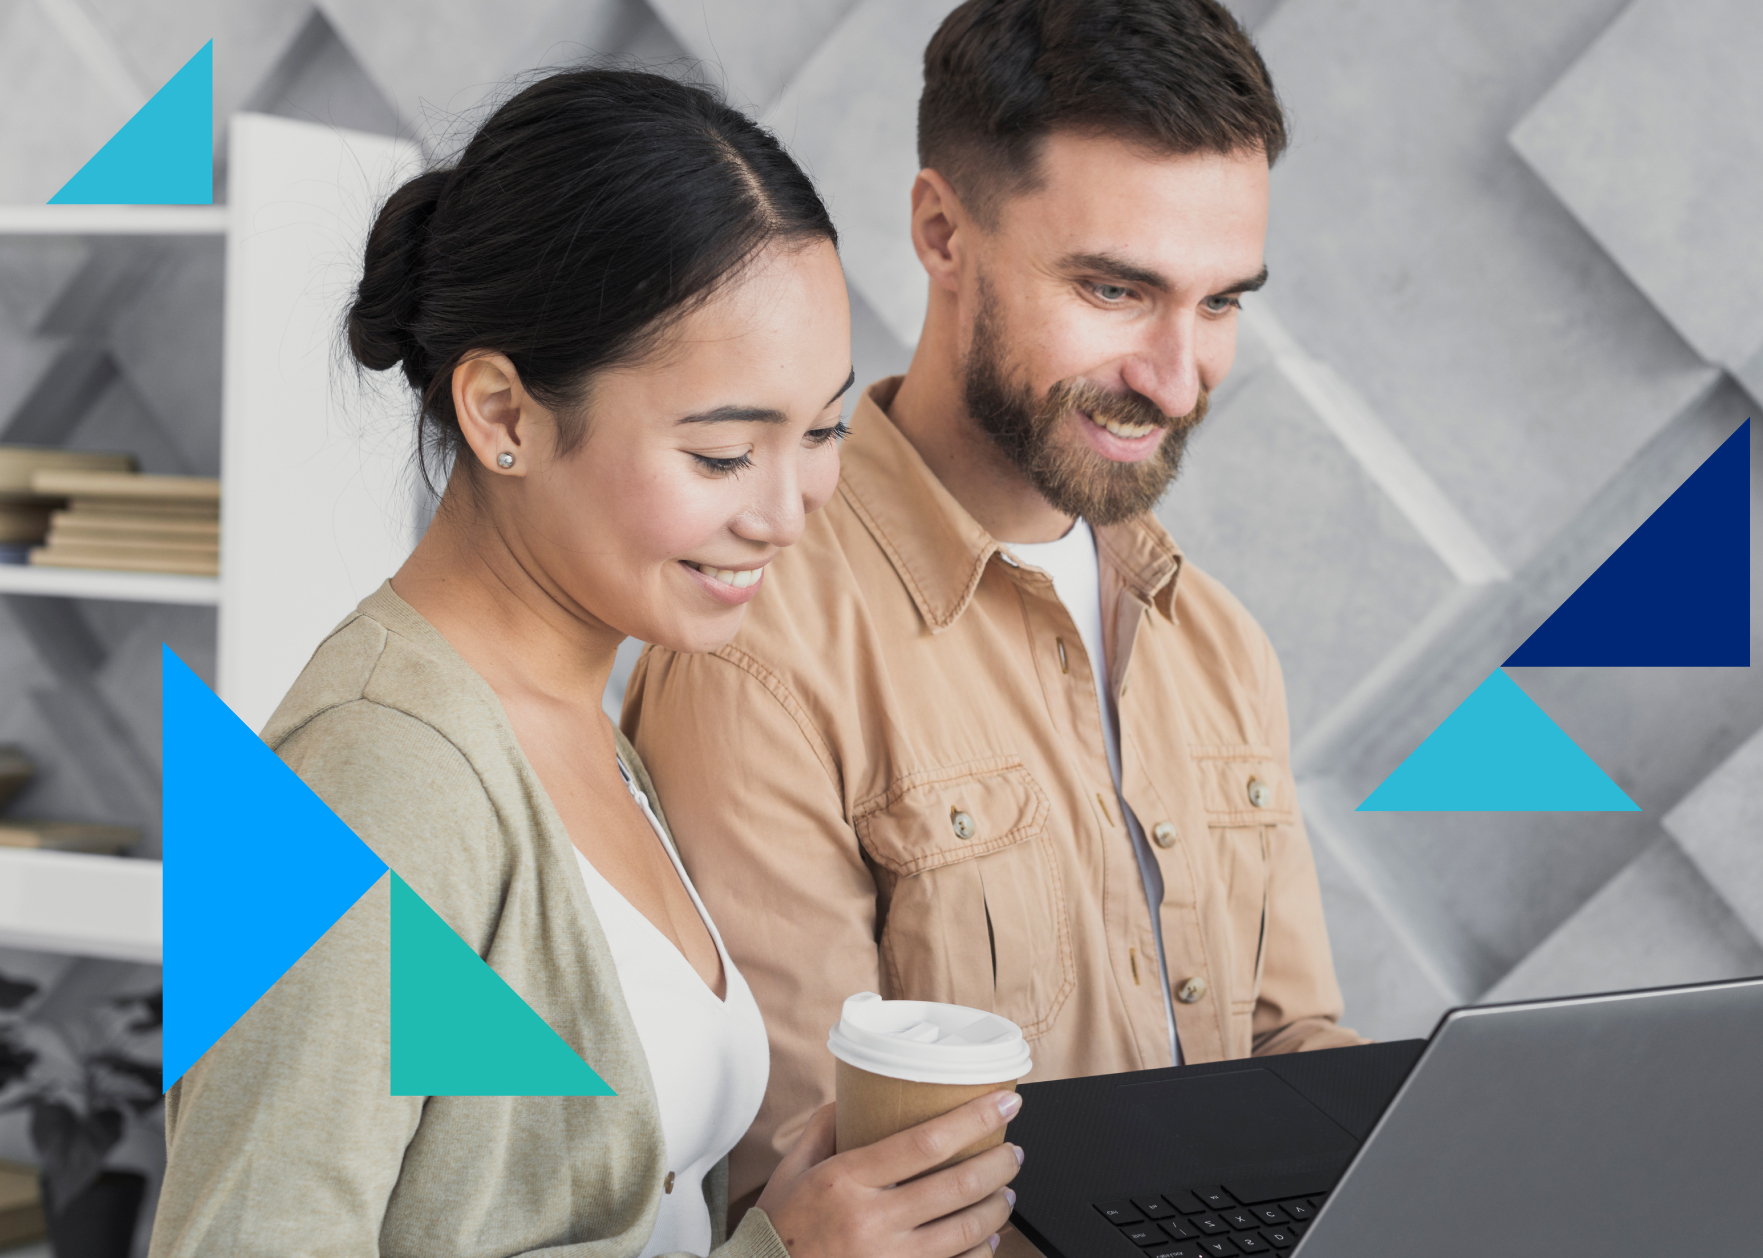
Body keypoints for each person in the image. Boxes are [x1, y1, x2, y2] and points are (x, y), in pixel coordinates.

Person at [151, 69, 1019, 1258]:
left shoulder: (580, 718)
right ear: (503, 415)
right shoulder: (369, 772)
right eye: (722, 453)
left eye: (820, 432)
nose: (786, 510)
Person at [623, 0, 1365, 1236]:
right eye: (1117, 289)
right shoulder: (756, 643)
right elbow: (817, 1197)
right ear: (939, 232)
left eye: (1223, 301)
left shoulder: (1217, 644)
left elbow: (1295, 1059)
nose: (1178, 378)